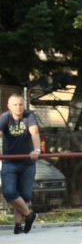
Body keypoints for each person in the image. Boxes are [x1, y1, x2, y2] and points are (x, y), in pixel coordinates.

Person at [0, 93, 40, 234]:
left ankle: (18, 225)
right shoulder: (4, 118)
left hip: (27, 162)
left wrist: (36, 149)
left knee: (23, 196)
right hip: (9, 162)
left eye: (21, 104)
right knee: (9, 192)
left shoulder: (29, 116)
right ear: (9, 106)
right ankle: (30, 215)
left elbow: (34, 132)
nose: (18, 107)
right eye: (15, 105)